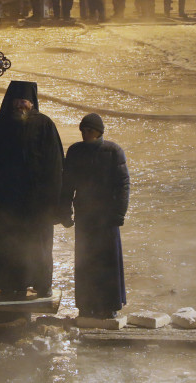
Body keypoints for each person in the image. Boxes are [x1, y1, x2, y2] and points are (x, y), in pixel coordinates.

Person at [0, 81, 64, 299]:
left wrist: (55, 201)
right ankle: (10, 284)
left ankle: (42, 284)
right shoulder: (0, 127)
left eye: (24, 101)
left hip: (37, 199)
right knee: (9, 242)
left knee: (37, 244)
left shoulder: (45, 125)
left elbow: (56, 165)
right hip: (8, 198)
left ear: (32, 102)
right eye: (17, 101)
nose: (20, 105)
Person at [59, 113, 130, 320]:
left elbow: (123, 184)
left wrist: (119, 212)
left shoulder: (113, 151)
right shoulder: (75, 151)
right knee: (85, 261)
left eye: (89, 131)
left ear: (99, 132)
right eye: (83, 131)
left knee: (108, 261)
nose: (85, 134)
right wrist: (64, 211)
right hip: (85, 215)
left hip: (107, 216)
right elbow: (67, 184)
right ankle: (86, 304)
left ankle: (109, 305)